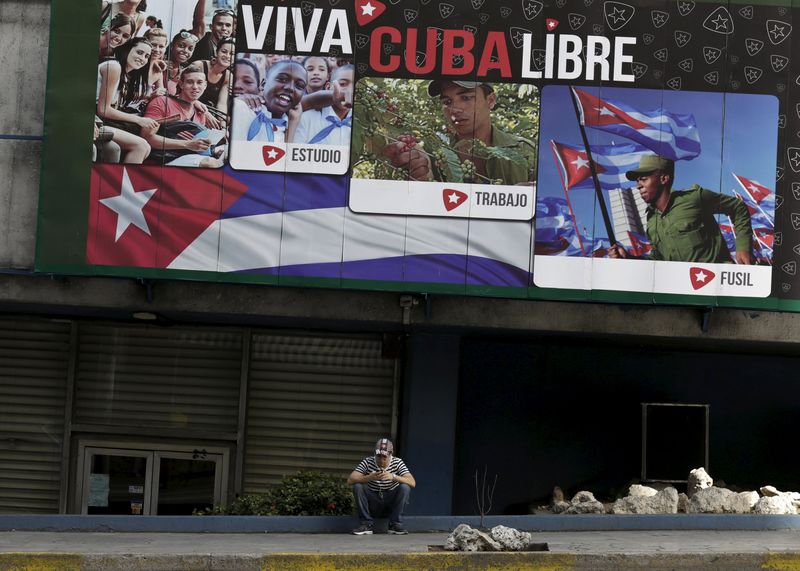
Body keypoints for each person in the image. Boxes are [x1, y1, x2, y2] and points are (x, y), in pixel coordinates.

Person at [608, 155, 755, 264]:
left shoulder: (695, 198)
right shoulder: (652, 220)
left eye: (644, 179)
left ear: (663, 179)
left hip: (716, 285)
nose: (638, 186)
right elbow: (658, 261)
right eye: (637, 181)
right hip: (683, 291)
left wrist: (743, 247)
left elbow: (738, 207)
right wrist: (628, 258)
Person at [383, 80, 536, 184]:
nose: (455, 109)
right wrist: (423, 178)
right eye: (447, 102)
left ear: (490, 100)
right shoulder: (434, 157)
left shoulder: (525, 152)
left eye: (466, 97)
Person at [141, 64, 224, 168]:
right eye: (190, 82)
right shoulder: (162, 102)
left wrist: (213, 151)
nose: (195, 87)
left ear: (205, 85)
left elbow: (198, 146)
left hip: (186, 159)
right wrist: (187, 144)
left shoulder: (200, 112)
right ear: (181, 84)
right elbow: (147, 137)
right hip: (161, 161)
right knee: (210, 163)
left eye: (199, 82)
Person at [96, 37, 156, 163]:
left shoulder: (126, 75)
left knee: (145, 148)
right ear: (128, 49)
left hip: (101, 122)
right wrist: (139, 120)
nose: (143, 59)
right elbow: (103, 110)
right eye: (139, 52)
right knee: (141, 146)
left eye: (147, 56)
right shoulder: (114, 67)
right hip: (93, 122)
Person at [346, 438, 415, 536]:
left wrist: (393, 476)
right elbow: (350, 480)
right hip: (373, 502)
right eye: (378, 456)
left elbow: (412, 482)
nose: (381, 460)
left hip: (390, 502)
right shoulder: (368, 461)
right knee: (357, 486)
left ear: (391, 454)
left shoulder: (397, 462)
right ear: (375, 453)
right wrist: (368, 477)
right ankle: (366, 524)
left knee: (405, 487)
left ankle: (395, 524)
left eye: (384, 457)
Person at [230, 60, 306, 143]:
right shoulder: (242, 108)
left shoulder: (294, 125)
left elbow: (286, 155)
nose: (290, 88)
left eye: (299, 86)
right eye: (282, 79)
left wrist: (293, 122)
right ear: (263, 84)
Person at [294, 65, 353, 145]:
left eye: (355, 86)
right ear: (328, 87)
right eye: (342, 84)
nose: (349, 91)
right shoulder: (306, 118)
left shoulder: (362, 123)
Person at [197, 37, 234, 110]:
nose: (227, 56)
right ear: (216, 52)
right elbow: (184, 93)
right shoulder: (199, 65)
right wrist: (205, 113)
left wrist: (222, 121)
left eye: (232, 54)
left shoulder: (228, 76)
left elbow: (222, 104)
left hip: (209, 112)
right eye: (224, 51)